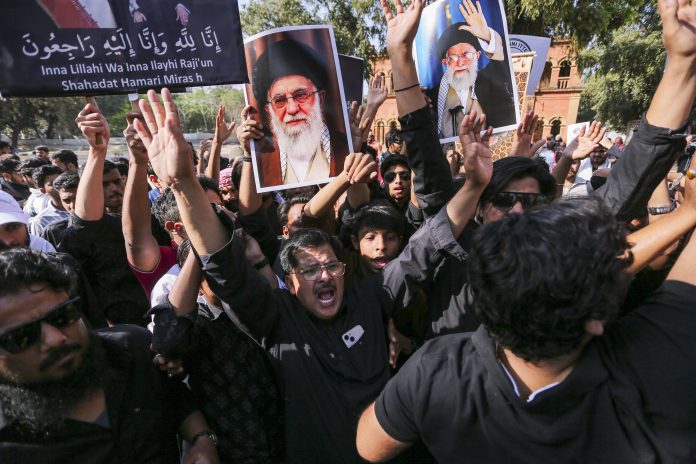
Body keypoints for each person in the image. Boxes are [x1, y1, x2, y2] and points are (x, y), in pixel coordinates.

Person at [356, 0, 696, 460]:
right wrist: (400, 54)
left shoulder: (435, 374)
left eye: (532, 202)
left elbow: (629, 180)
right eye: (503, 200)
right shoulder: (453, 246)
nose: (517, 210)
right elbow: (425, 155)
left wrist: (683, 62)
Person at [0, 248, 220, 463]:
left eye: (61, 316)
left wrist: (202, 440)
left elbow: (176, 399)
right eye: (22, 336)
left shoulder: (133, 348)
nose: (55, 339)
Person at [249, 39, 349, 188]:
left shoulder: (347, 148)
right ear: (269, 110)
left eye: (301, 95)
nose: (292, 109)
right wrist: (247, 154)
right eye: (279, 100)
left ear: (320, 98)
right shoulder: (262, 159)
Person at [426, 0, 515, 137]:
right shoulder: (431, 97)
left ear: (477, 56)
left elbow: (504, 60)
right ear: (445, 62)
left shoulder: (491, 81)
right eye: (453, 57)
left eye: (466, 54)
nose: (460, 62)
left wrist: (487, 35)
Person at [28, 165, 68, 235]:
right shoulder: (41, 222)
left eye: (62, 181)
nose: (60, 185)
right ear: (44, 191)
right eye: (53, 184)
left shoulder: (82, 207)